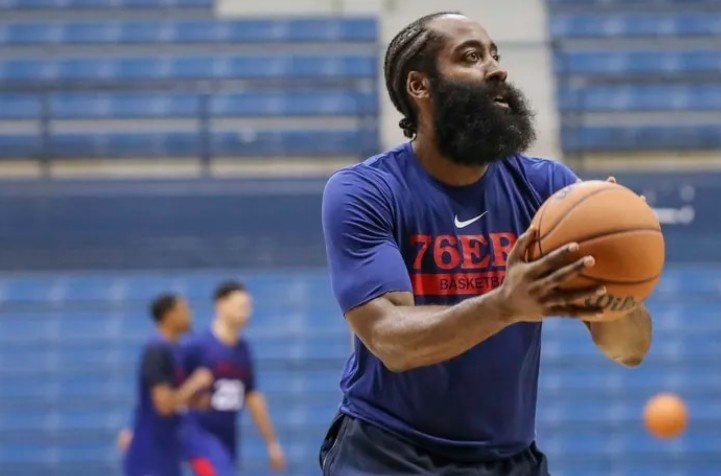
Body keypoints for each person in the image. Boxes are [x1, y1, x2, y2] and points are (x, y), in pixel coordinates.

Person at [319, 11, 653, 476]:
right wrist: (504, 305)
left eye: (495, 54)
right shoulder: (367, 190)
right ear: (420, 86)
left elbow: (629, 350)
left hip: (509, 458)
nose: (497, 69)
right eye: (471, 56)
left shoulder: (548, 190)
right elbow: (390, 340)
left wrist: (620, 274)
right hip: (390, 453)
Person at [182, 281, 286, 476]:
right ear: (221, 304)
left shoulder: (243, 350)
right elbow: (164, 389)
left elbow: (253, 397)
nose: (247, 312)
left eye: (249, 307)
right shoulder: (196, 346)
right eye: (241, 306)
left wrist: (271, 442)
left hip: (227, 438)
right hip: (200, 436)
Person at [123, 293, 213, 476]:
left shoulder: (177, 351)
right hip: (150, 455)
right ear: (170, 315)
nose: (190, 315)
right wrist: (195, 383)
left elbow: (179, 397)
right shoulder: (156, 351)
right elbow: (163, 405)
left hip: (169, 451)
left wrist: (199, 399)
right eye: (185, 310)